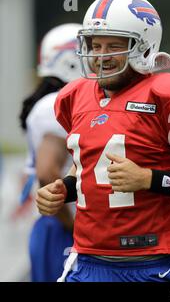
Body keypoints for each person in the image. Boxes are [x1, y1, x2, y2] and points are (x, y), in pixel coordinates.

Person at [35, 0, 170, 282]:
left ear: (144, 46)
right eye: (94, 45)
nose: (101, 56)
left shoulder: (168, 97)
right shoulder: (75, 96)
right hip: (87, 260)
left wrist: (148, 179)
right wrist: (64, 188)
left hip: (152, 265)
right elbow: (89, 163)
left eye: (114, 46)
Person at [19, 23, 81, 281]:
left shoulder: (49, 102)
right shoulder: (57, 104)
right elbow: (47, 172)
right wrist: (76, 226)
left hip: (54, 226)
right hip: (63, 229)